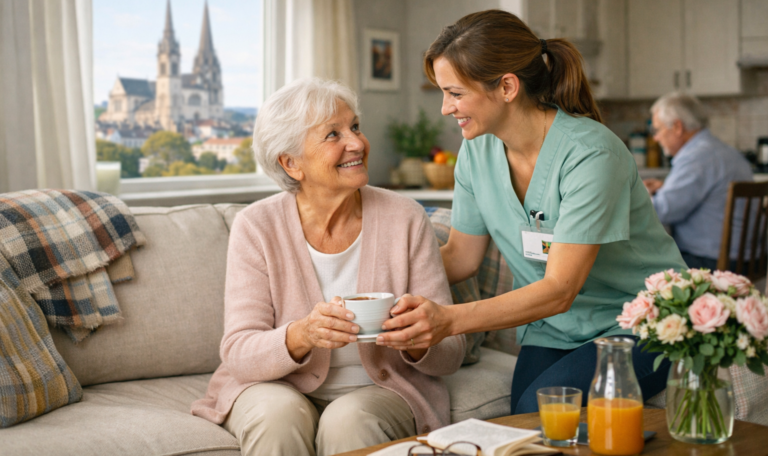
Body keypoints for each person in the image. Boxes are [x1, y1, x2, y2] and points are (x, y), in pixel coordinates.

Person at [375, 9, 687, 415]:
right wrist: (376, 282)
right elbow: (461, 257)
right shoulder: (476, 150)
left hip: (642, 321)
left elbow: (560, 289)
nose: (445, 108)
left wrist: (448, 320)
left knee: (542, 412)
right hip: (554, 329)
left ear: (507, 86)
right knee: (525, 417)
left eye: (455, 93)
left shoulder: (591, 154)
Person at [190, 78, 465, 456]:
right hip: (275, 386)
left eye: (355, 126)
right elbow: (239, 352)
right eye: (333, 134)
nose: (357, 143)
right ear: (291, 163)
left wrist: (418, 341)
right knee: (277, 416)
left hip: (379, 389)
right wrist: (302, 334)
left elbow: (451, 351)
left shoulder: (405, 217)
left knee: (349, 420)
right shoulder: (256, 226)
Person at [643, 92, 753, 271]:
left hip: (712, 262)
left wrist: (637, 194)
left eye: (657, 130)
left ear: (677, 127)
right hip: (746, 259)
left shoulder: (695, 157)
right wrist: (666, 188)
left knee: (641, 265)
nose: (655, 138)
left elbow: (662, 211)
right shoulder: (723, 151)